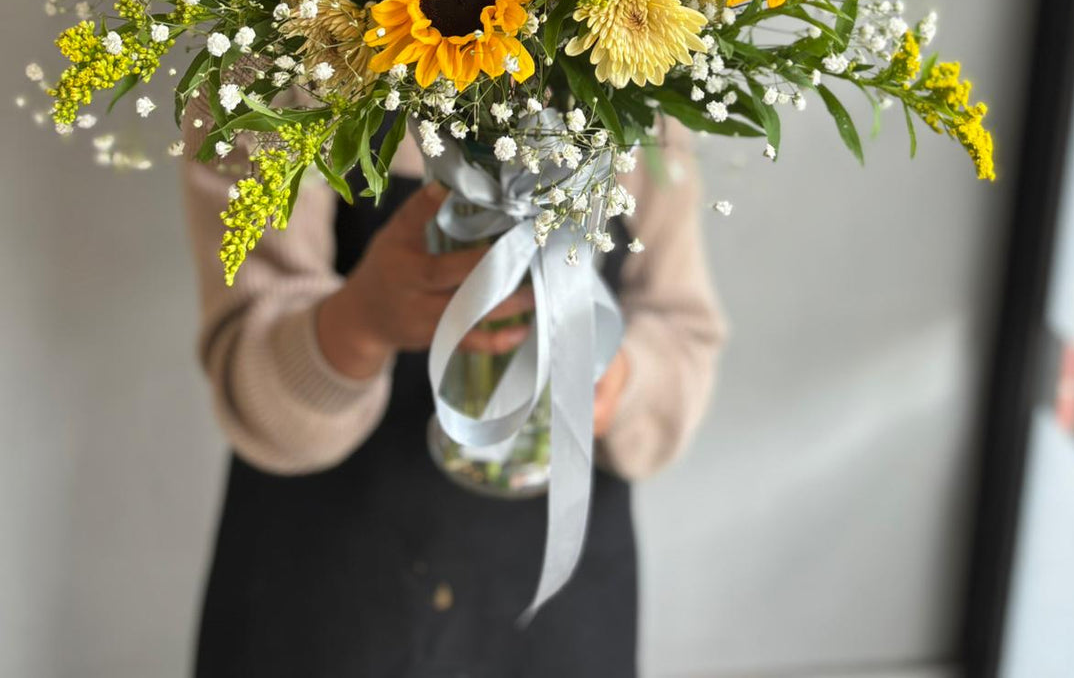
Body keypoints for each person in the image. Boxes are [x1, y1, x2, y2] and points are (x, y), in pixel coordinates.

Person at [183, 119, 724, 677]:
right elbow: (251, 376)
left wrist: (615, 380)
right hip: (326, 596)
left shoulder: (643, 62)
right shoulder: (273, 81)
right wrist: (362, 321)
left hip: (556, 614)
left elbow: (683, 332)